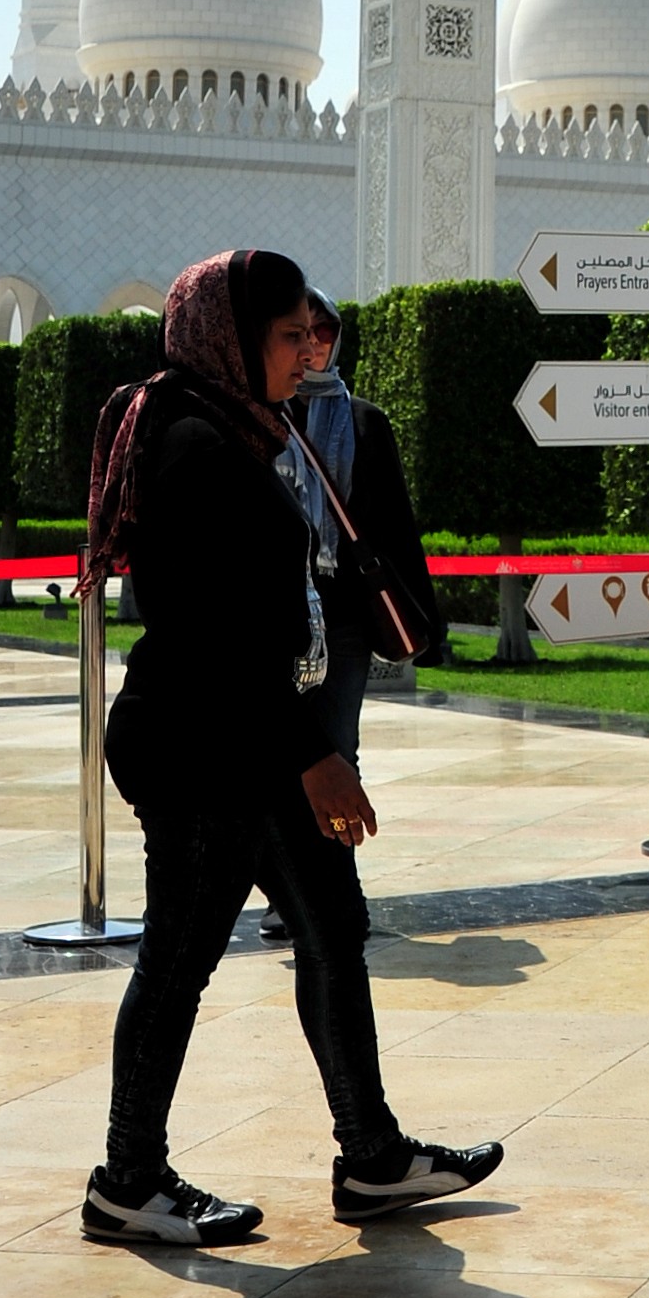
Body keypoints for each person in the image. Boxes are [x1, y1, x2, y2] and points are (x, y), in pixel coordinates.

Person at [81, 251, 502, 1248]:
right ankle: (126, 1178)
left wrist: (304, 746)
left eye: (310, 334)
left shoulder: (239, 431)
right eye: (285, 335)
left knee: (332, 930)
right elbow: (210, 638)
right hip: (204, 748)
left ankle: (372, 1155)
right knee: (179, 959)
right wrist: (314, 756)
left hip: (257, 739)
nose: (305, 353)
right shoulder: (197, 448)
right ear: (230, 340)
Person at [254, 291, 435, 948]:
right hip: (278, 615)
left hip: (345, 617)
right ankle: (288, 889)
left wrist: (420, 620)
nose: (316, 345)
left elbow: (393, 524)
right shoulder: (258, 414)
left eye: (326, 332)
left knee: (338, 749)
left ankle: (332, 892)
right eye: (302, 332)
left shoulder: (362, 421)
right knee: (279, 752)